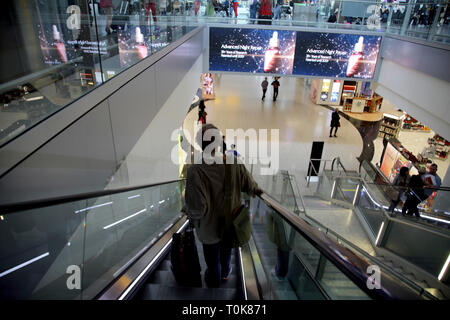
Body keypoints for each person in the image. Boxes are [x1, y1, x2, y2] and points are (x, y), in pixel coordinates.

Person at [185, 123, 262, 288]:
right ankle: (226, 274)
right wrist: (258, 192)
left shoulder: (195, 172)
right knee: (226, 253)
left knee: (213, 262)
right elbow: (251, 187)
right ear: (219, 142)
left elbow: (198, 209)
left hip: (209, 230)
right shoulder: (234, 163)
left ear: (200, 144)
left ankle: (214, 282)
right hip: (231, 224)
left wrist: (187, 210)